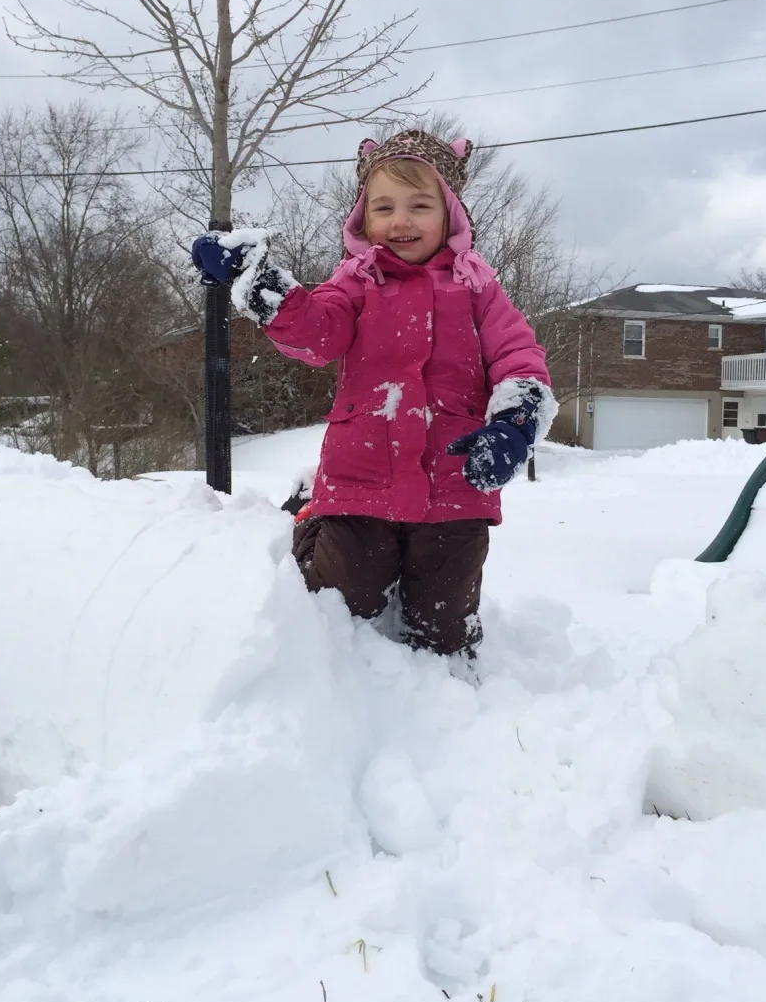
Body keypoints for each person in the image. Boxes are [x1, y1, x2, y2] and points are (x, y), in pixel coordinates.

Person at [191, 129, 556, 659]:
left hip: (455, 487)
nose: (400, 220)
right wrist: (265, 286)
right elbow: (319, 334)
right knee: (344, 600)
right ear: (364, 219)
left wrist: (514, 424)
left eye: (419, 206)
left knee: (443, 629)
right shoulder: (355, 282)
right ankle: (310, 517)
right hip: (360, 480)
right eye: (383, 207)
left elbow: (518, 357)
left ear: (451, 215)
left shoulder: (479, 289)